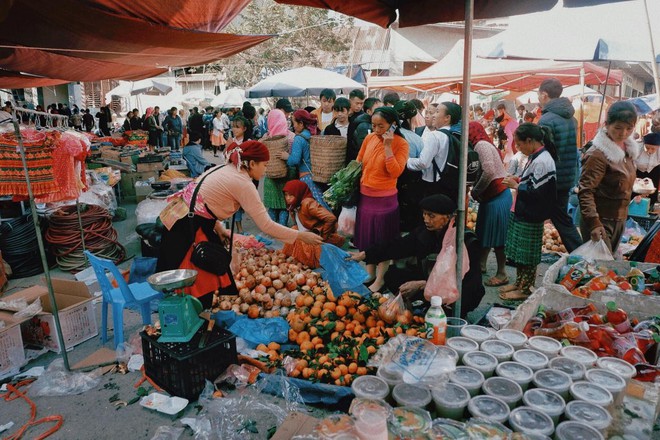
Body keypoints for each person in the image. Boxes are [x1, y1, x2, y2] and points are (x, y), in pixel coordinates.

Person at [156, 141, 323, 308]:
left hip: (183, 218)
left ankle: (191, 317)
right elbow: (266, 225)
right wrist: (300, 236)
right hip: (188, 226)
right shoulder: (243, 183)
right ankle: (192, 321)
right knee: (198, 279)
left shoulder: (225, 168)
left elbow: (206, 200)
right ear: (251, 163)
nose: (265, 170)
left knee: (201, 274)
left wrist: (219, 227)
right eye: (264, 165)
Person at [348, 194, 485, 319]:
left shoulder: (465, 241)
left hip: (461, 290)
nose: (426, 219)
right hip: (430, 281)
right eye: (424, 214)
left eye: (431, 216)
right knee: (392, 275)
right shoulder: (424, 232)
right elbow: (396, 246)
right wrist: (364, 254)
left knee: (453, 308)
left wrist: (422, 284)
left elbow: (466, 281)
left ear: (447, 217)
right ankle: (425, 306)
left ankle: (449, 312)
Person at [500, 123, 558, 301]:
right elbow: (533, 182)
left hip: (532, 213)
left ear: (530, 141)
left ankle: (525, 288)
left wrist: (516, 185)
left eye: (519, 144)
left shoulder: (543, 160)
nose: (518, 148)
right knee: (519, 252)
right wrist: (518, 179)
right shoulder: (536, 156)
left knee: (527, 255)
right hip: (524, 210)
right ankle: (520, 283)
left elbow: (539, 193)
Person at [354, 106, 409, 292]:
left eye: (381, 126)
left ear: (393, 126)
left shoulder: (401, 144)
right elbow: (359, 160)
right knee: (368, 237)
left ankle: (381, 278)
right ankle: (369, 273)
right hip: (365, 197)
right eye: (374, 125)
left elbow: (396, 171)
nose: (376, 130)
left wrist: (387, 147)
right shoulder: (369, 138)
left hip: (385, 200)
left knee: (383, 240)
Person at [579, 101, 640, 253]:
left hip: (619, 219)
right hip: (600, 221)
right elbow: (586, 190)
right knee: (597, 270)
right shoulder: (597, 154)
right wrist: (594, 223)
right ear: (607, 124)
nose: (624, 133)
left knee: (607, 270)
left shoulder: (628, 150)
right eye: (618, 128)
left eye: (629, 128)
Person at [538, 78, 582, 252]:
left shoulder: (546, 120)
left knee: (558, 219)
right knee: (561, 217)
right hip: (567, 176)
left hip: (551, 178)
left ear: (544, 94)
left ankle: (581, 254)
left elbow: (543, 153)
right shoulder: (572, 119)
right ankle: (580, 254)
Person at [469, 122, 512, 287]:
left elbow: (489, 172)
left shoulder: (481, 145)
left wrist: (475, 191)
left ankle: (502, 273)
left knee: (497, 236)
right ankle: (481, 264)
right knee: (485, 231)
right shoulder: (482, 144)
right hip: (493, 195)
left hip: (498, 195)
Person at [281, 180, 345, 267]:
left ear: (298, 193)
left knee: (303, 244)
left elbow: (331, 218)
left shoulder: (308, 203)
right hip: (305, 232)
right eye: (286, 195)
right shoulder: (294, 205)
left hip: (316, 234)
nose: (288, 198)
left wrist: (323, 237)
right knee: (294, 230)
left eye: (291, 195)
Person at [277, 109, 331, 210]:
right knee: (319, 202)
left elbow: (295, 160)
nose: (293, 126)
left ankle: (330, 223)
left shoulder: (299, 138)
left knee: (314, 207)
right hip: (316, 175)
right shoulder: (313, 134)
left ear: (301, 123)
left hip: (306, 177)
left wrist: (286, 156)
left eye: (294, 123)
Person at [406, 101, 459, 203]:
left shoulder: (435, 135)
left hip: (432, 185)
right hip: (449, 183)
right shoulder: (454, 133)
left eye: (437, 112)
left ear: (447, 118)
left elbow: (423, 163)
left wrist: (406, 161)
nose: (433, 116)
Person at [263, 109, 295, 226]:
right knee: (284, 206)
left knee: (272, 206)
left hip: (271, 177)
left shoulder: (265, 138)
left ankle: (273, 229)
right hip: (287, 175)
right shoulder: (291, 137)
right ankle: (282, 229)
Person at [347, 97, 381, 163]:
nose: (381, 111)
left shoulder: (372, 123)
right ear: (368, 111)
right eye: (378, 109)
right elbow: (366, 149)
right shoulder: (364, 127)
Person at [635, 132, 660, 206]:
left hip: (654, 170)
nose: (649, 151)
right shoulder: (637, 147)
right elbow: (631, 164)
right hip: (637, 170)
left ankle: (650, 207)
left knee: (651, 192)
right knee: (636, 192)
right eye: (647, 147)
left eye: (653, 149)